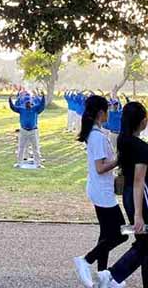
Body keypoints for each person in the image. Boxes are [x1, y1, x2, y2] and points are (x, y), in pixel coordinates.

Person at [73, 95, 128, 288]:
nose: (109, 113)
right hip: (102, 192)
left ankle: (103, 277)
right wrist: (119, 159)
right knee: (121, 233)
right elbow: (100, 167)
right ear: (100, 113)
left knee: (106, 235)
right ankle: (86, 260)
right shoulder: (97, 137)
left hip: (101, 189)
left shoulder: (97, 133)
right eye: (107, 110)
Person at [96, 102, 148, 288]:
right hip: (140, 197)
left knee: (144, 242)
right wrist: (138, 215)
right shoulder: (142, 147)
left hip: (128, 195)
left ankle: (111, 276)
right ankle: (112, 275)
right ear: (142, 122)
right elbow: (139, 181)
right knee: (145, 242)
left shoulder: (123, 140)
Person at [9, 92, 46, 168]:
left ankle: (38, 164)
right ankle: (19, 163)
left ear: (31, 103)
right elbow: (13, 107)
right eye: (26, 103)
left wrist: (43, 97)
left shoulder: (35, 109)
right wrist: (10, 100)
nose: (28, 104)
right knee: (21, 147)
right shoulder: (21, 109)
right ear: (24, 104)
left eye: (29, 103)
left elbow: (42, 106)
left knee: (35, 147)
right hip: (23, 131)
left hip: (33, 131)